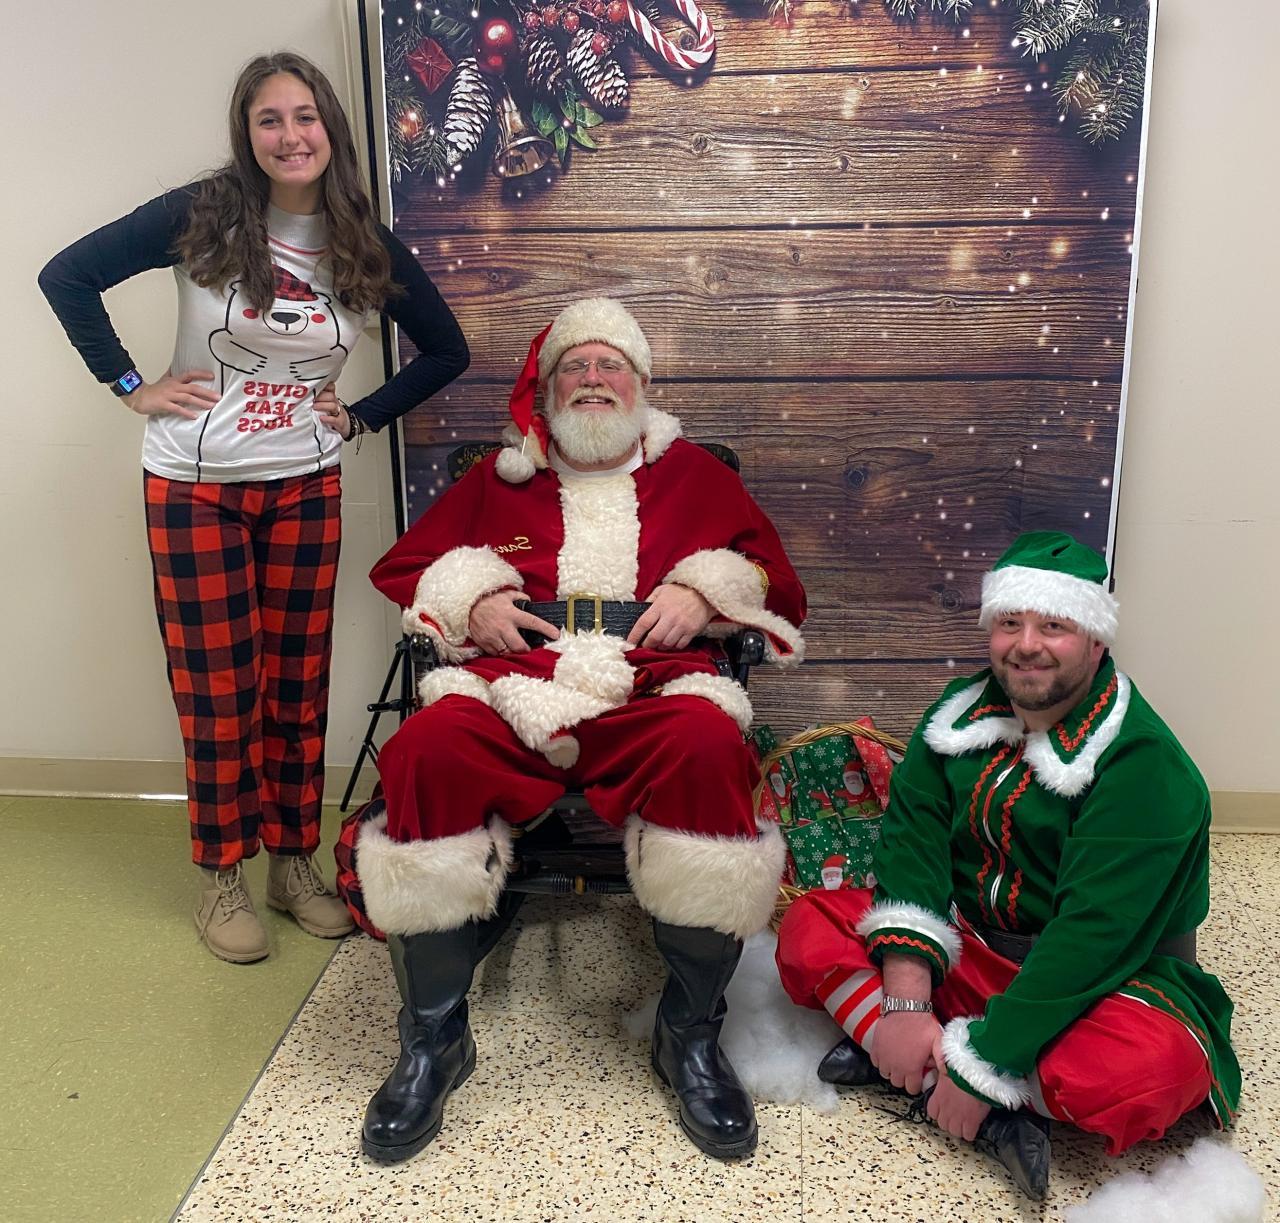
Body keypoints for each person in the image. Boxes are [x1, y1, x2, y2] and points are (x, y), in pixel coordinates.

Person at [38, 51, 469, 964]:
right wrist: (132, 385)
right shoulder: (202, 214)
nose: (289, 135)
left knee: (296, 690)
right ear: (247, 133)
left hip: (305, 485)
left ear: (330, 129)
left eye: (304, 117)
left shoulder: (360, 240)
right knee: (218, 693)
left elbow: (446, 349)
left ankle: (291, 863)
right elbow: (66, 274)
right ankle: (221, 875)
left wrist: (359, 414)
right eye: (269, 119)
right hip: (195, 488)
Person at [354, 296, 806, 1164]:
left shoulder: (696, 476)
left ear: (640, 384)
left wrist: (707, 590)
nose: (593, 379)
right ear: (549, 386)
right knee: (424, 750)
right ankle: (434, 1038)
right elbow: (408, 565)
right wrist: (470, 597)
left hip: (653, 682)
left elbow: (774, 581)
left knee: (711, 746)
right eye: (575, 366)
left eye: (611, 366)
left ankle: (689, 1032)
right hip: (515, 683)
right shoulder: (500, 478)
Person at [775, 531, 1239, 1199]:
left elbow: (1093, 939)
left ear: (1096, 640)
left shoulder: (1147, 767)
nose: (1027, 645)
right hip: (970, 945)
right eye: (1011, 623)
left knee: (1146, 1072)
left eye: (1054, 626)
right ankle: (968, 1089)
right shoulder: (956, 716)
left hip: (1106, 981)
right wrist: (905, 1001)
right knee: (809, 923)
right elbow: (912, 849)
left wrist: (986, 1063)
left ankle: (941, 1072)